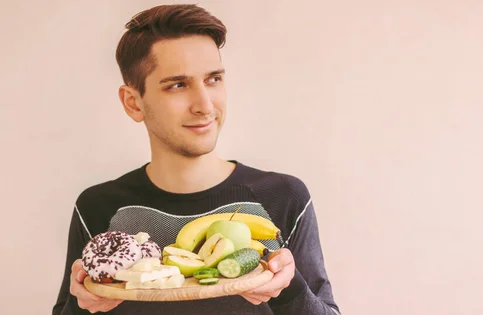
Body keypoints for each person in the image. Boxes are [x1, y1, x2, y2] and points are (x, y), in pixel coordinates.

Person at [52, 4, 340, 315]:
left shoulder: (283, 197)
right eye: (178, 85)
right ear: (133, 103)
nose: (204, 105)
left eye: (214, 79)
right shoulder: (99, 207)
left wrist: (288, 286)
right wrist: (82, 302)